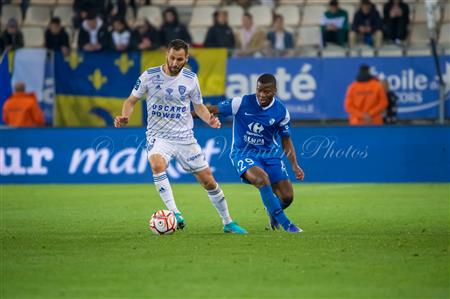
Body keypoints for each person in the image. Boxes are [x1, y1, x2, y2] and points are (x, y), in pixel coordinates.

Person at [114, 39, 247, 234]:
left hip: (185, 138)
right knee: (157, 164)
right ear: (166, 54)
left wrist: (209, 119)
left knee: (208, 181)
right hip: (159, 136)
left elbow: (199, 107)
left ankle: (228, 222)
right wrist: (125, 116)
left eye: (180, 59)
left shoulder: (191, 79)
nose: (175, 63)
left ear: (186, 59)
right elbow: (131, 100)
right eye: (172, 58)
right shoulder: (149, 76)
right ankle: (174, 213)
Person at [203, 74, 304, 233]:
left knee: (286, 197)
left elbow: (286, 139)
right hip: (243, 153)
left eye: (267, 91)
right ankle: (287, 225)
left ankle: (272, 210)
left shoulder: (281, 111)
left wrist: (294, 165)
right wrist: (187, 115)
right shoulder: (241, 102)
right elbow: (212, 109)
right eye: (259, 91)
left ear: (275, 91)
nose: (262, 95)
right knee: (262, 179)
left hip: (269, 155)